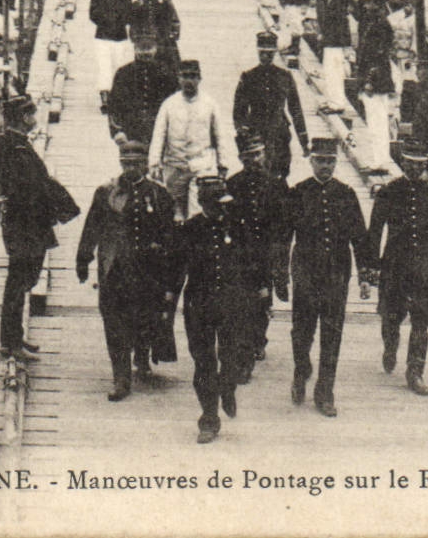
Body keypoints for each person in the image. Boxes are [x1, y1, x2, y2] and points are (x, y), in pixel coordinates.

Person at [76, 140, 179, 400]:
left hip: (146, 271)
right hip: (114, 269)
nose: (130, 167)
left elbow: (169, 236)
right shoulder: (106, 192)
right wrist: (83, 257)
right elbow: (92, 227)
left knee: (144, 317)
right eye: (126, 162)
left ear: (144, 164)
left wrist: (169, 273)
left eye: (135, 163)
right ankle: (120, 378)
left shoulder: (158, 194)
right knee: (113, 321)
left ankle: (142, 355)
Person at [282, 137, 373, 417]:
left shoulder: (346, 195)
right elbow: (284, 237)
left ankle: (325, 391)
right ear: (311, 161)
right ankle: (301, 371)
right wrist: (279, 273)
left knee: (332, 333)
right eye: (321, 160)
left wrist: (365, 276)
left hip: (336, 273)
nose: (326, 166)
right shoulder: (298, 193)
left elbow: (360, 237)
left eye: (331, 161)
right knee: (302, 330)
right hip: (305, 273)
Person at [172, 175, 266, 443]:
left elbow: (255, 260)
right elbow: (176, 267)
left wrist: (261, 289)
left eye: (225, 204)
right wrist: (169, 299)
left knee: (232, 356)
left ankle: (228, 387)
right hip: (199, 304)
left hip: (232, 302)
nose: (223, 209)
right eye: (216, 204)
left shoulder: (239, 227)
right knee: (203, 362)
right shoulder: (191, 228)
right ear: (204, 204)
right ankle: (209, 417)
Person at [0, 93, 80, 359]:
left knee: (21, 282)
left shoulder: (13, 145)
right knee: (19, 284)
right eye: (32, 114)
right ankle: (12, 343)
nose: (35, 118)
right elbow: (30, 189)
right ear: (24, 118)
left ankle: (13, 338)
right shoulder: (16, 150)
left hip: (24, 225)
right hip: (26, 226)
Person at [365, 145, 428, 396]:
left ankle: (415, 372)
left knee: (421, 321)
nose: (416, 169)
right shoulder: (389, 192)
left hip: (426, 268)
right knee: (391, 317)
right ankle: (390, 348)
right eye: (411, 163)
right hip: (395, 265)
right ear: (402, 163)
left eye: (421, 164)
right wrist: (371, 265)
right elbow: (375, 230)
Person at [225, 128, 291, 374]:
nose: (254, 159)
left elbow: (285, 222)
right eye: (248, 156)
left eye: (258, 154)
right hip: (241, 250)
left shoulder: (276, 184)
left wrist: (281, 255)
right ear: (241, 158)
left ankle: (259, 338)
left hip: (267, 248)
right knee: (243, 297)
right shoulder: (233, 184)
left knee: (264, 296)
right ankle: (246, 342)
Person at [233, 30, 311, 186]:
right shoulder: (248, 77)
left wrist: (304, 141)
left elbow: (295, 109)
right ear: (257, 51)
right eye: (262, 52)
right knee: (255, 175)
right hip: (256, 135)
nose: (265, 56)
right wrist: (243, 135)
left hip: (279, 134)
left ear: (275, 52)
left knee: (280, 175)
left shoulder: (285, 77)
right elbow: (239, 111)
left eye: (269, 53)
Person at [150, 60, 224, 221]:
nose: (188, 81)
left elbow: (219, 136)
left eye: (193, 76)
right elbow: (159, 135)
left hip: (201, 168)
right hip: (174, 168)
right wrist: (154, 164)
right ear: (178, 78)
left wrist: (222, 164)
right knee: (174, 215)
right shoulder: (169, 105)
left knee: (196, 214)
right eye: (184, 76)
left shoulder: (210, 104)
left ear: (199, 79)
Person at [108, 35, 179, 146]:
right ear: (135, 48)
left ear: (155, 48)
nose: (145, 52)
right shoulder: (123, 73)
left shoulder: (166, 73)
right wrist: (117, 132)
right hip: (130, 134)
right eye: (142, 48)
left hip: (161, 134)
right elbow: (114, 106)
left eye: (149, 48)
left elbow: (176, 104)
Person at [355, 0, 397, 172]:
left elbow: (378, 56)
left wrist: (369, 81)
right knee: (375, 122)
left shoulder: (380, 26)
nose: (366, 5)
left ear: (378, 6)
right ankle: (379, 159)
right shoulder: (376, 24)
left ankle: (379, 161)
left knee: (377, 123)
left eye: (370, 2)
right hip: (376, 80)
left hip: (376, 82)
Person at [89, 0, 134, 113]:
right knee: (104, 67)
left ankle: (119, 98)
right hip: (103, 37)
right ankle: (105, 98)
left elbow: (129, 14)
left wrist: (120, 21)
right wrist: (107, 21)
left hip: (120, 37)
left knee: (119, 67)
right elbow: (93, 15)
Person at [316, 0, 355, 112]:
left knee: (334, 71)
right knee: (329, 71)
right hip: (332, 39)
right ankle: (332, 99)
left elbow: (337, 19)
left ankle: (337, 103)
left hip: (335, 40)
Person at [130, 0, 182, 72]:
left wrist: (171, 37)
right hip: (145, 45)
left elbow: (175, 21)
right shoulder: (138, 4)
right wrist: (136, 39)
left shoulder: (165, 2)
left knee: (167, 70)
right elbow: (133, 24)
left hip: (163, 44)